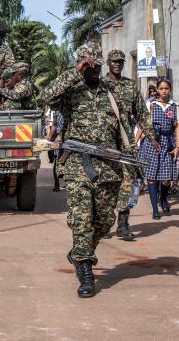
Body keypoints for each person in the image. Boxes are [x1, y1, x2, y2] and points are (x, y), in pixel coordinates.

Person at [40, 43, 125, 298]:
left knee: (104, 220)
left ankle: (78, 251)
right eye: (88, 64)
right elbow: (45, 96)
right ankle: (86, 272)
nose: (93, 69)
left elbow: (123, 128)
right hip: (78, 163)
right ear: (81, 63)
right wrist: (75, 72)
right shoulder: (71, 92)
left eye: (96, 65)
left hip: (108, 166)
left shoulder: (112, 92)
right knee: (82, 218)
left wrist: (127, 163)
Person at [103, 49, 159, 241]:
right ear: (108, 62)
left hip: (127, 143)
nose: (117, 64)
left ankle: (123, 225)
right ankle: (102, 223)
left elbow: (142, 114)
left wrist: (152, 137)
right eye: (114, 61)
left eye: (120, 61)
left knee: (128, 183)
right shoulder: (100, 85)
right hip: (104, 142)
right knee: (105, 183)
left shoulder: (130, 86)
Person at [139, 78, 179, 219]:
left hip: (168, 143)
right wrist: (136, 141)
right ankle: (154, 209)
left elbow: (177, 125)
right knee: (151, 178)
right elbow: (144, 124)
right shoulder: (150, 104)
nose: (164, 91)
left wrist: (177, 146)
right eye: (161, 88)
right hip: (152, 142)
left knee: (166, 179)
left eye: (167, 88)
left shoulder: (174, 105)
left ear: (170, 89)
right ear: (157, 89)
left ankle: (163, 199)